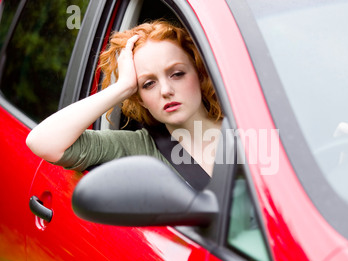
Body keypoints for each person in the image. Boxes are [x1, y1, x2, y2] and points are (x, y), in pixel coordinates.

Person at [26, 20, 223, 190]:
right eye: (148, 84)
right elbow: (42, 141)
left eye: (177, 74)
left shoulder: (247, 124)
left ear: (200, 73)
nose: (165, 90)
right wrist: (123, 87)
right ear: (140, 99)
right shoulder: (139, 149)